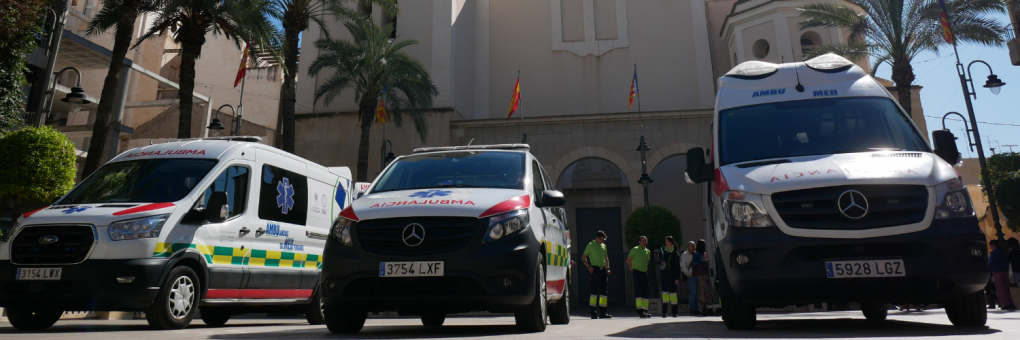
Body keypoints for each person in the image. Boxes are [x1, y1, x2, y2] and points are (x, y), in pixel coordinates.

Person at [582, 231, 613, 319]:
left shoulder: (603, 246)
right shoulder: (590, 245)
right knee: (594, 292)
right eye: (601, 239)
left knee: (604, 292)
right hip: (595, 270)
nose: (602, 241)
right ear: (597, 237)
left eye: (603, 240)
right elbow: (583, 258)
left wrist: (607, 268)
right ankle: (593, 313)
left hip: (603, 270)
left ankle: (603, 313)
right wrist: (589, 267)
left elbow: (606, 258)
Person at [627, 236, 652, 318]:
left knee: (645, 291)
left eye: (645, 241)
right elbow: (628, 260)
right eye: (643, 241)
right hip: (637, 272)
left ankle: (645, 310)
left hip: (644, 272)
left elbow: (647, 261)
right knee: (638, 291)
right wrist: (632, 267)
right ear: (639, 242)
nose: (644, 242)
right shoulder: (635, 249)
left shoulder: (647, 251)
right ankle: (640, 311)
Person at [989, 239, 1016, 310]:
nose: (990, 247)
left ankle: (1005, 303)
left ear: (994, 245)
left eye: (991, 245)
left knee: (1001, 288)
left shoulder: (994, 253)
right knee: (1006, 288)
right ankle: (1010, 303)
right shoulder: (1001, 252)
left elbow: (991, 262)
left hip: (997, 272)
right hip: (1004, 271)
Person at [658, 236, 681, 317]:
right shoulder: (663, 251)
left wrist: (677, 277)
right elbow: (660, 261)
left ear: (671, 243)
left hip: (672, 274)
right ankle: (664, 312)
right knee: (664, 293)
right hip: (664, 274)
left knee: (673, 293)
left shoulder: (675, 253)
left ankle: (674, 312)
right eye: (665, 241)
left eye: (667, 241)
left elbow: (677, 267)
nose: (666, 243)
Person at [695, 239, 717, 316]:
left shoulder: (702, 253)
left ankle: (707, 308)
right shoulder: (697, 254)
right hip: (701, 275)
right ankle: (705, 308)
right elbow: (695, 262)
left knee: (706, 291)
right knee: (705, 290)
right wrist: (702, 260)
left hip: (704, 274)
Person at [680, 241, 697, 315]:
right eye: (692, 246)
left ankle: (696, 309)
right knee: (693, 292)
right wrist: (688, 273)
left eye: (694, 245)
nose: (694, 247)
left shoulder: (696, 254)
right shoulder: (685, 254)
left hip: (697, 275)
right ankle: (692, 309)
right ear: (688, 246)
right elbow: (683, 265)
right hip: (691, 276)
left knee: (697, 293)